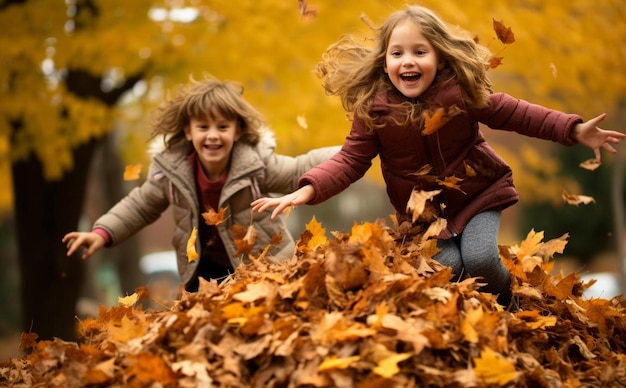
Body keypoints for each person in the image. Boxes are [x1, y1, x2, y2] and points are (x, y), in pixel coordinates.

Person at [251, 5, 625, 307]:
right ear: (384, 62)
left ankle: (513, 306)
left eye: (419, 52)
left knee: (478, 259)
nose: (407, 61)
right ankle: (472, 316)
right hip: (424, 217)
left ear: (440, 57)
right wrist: (307, 189)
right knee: (447, 267)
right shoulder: (375, 112)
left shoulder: (462, 94)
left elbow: (518, 113)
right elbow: (349, 160)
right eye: (397, 53)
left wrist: (573, 130)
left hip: (478, 195)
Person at [63, 75, 339, 292]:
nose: (213, 136)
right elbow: (139, 205)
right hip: (201, 268)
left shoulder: (255, 164)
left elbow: (299, 168)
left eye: (222, 127)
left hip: (260, 261)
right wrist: (101, 232)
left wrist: (350, 152)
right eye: (203, 127)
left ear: (237, 130)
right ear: (188, 130)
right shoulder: (171, 172)